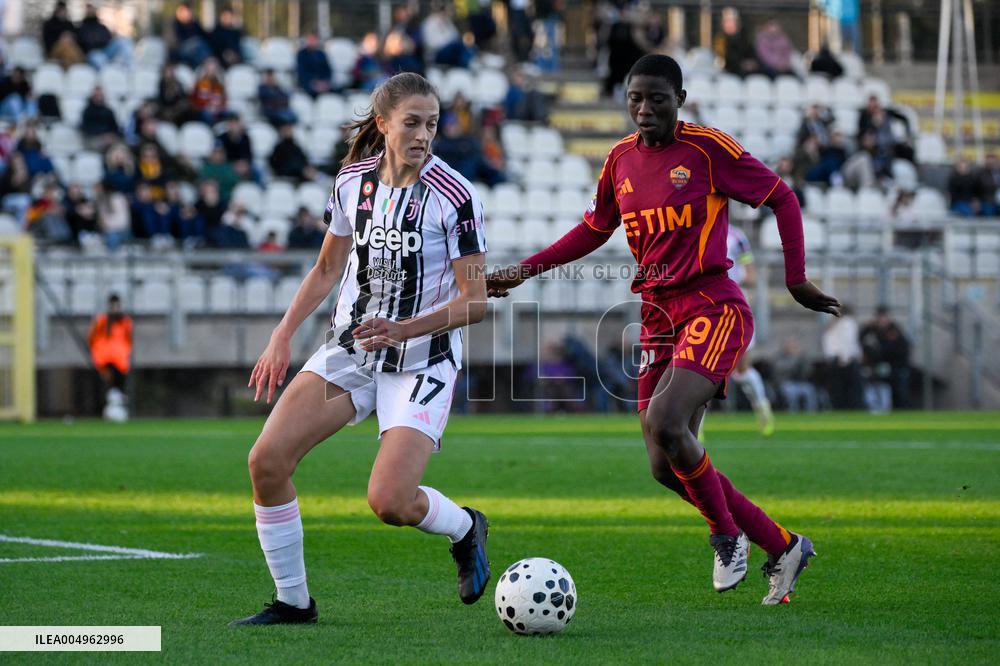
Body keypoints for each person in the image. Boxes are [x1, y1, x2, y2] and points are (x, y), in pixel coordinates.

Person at [487, 54, 840, 605]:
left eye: (657, 98)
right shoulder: (619, 160)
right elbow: (592, 231)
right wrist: (521, 271)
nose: (645, 109)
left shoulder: (707, 149)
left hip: (711, 305)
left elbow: (782, 196)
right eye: (636, 98)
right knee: (664, 464)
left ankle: (727, 537)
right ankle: (783, 545)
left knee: (667, 422)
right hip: (656, 316)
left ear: (680, 99)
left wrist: (795, 279)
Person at [232, 72, 491, 625]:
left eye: (432, 124)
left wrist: (402, 329)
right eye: (412, 123)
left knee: (390, 502)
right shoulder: (352, 182)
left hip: (422, 362)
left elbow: (474, 303)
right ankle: (293, 603)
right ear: (384, 124)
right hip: (352, 353)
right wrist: (282, 334)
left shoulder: (455, 196)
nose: (423, 135)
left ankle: (467, 527)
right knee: (266, 462)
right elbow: (327, 268)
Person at [725, 225, 775, 435]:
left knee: (742, 370)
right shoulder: (694, 228)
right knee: (700, 369)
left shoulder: (736, 237)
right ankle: (695, 429)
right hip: (705, 307)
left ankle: (761, 406)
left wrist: (732, 283)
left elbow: (751, 274)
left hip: (735, 307)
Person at [88, 294, 133, 422]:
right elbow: (92, 337)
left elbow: (128, 339)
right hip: (105, 359)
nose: (115, 309)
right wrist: (97, 355)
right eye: (113, 306)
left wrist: (126, 353)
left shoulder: (125, 322)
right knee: (108, 384)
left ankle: (115, 410)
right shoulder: (101, 321)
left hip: (120, 360)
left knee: (118, 387)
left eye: (117, 306)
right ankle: (108, 411)